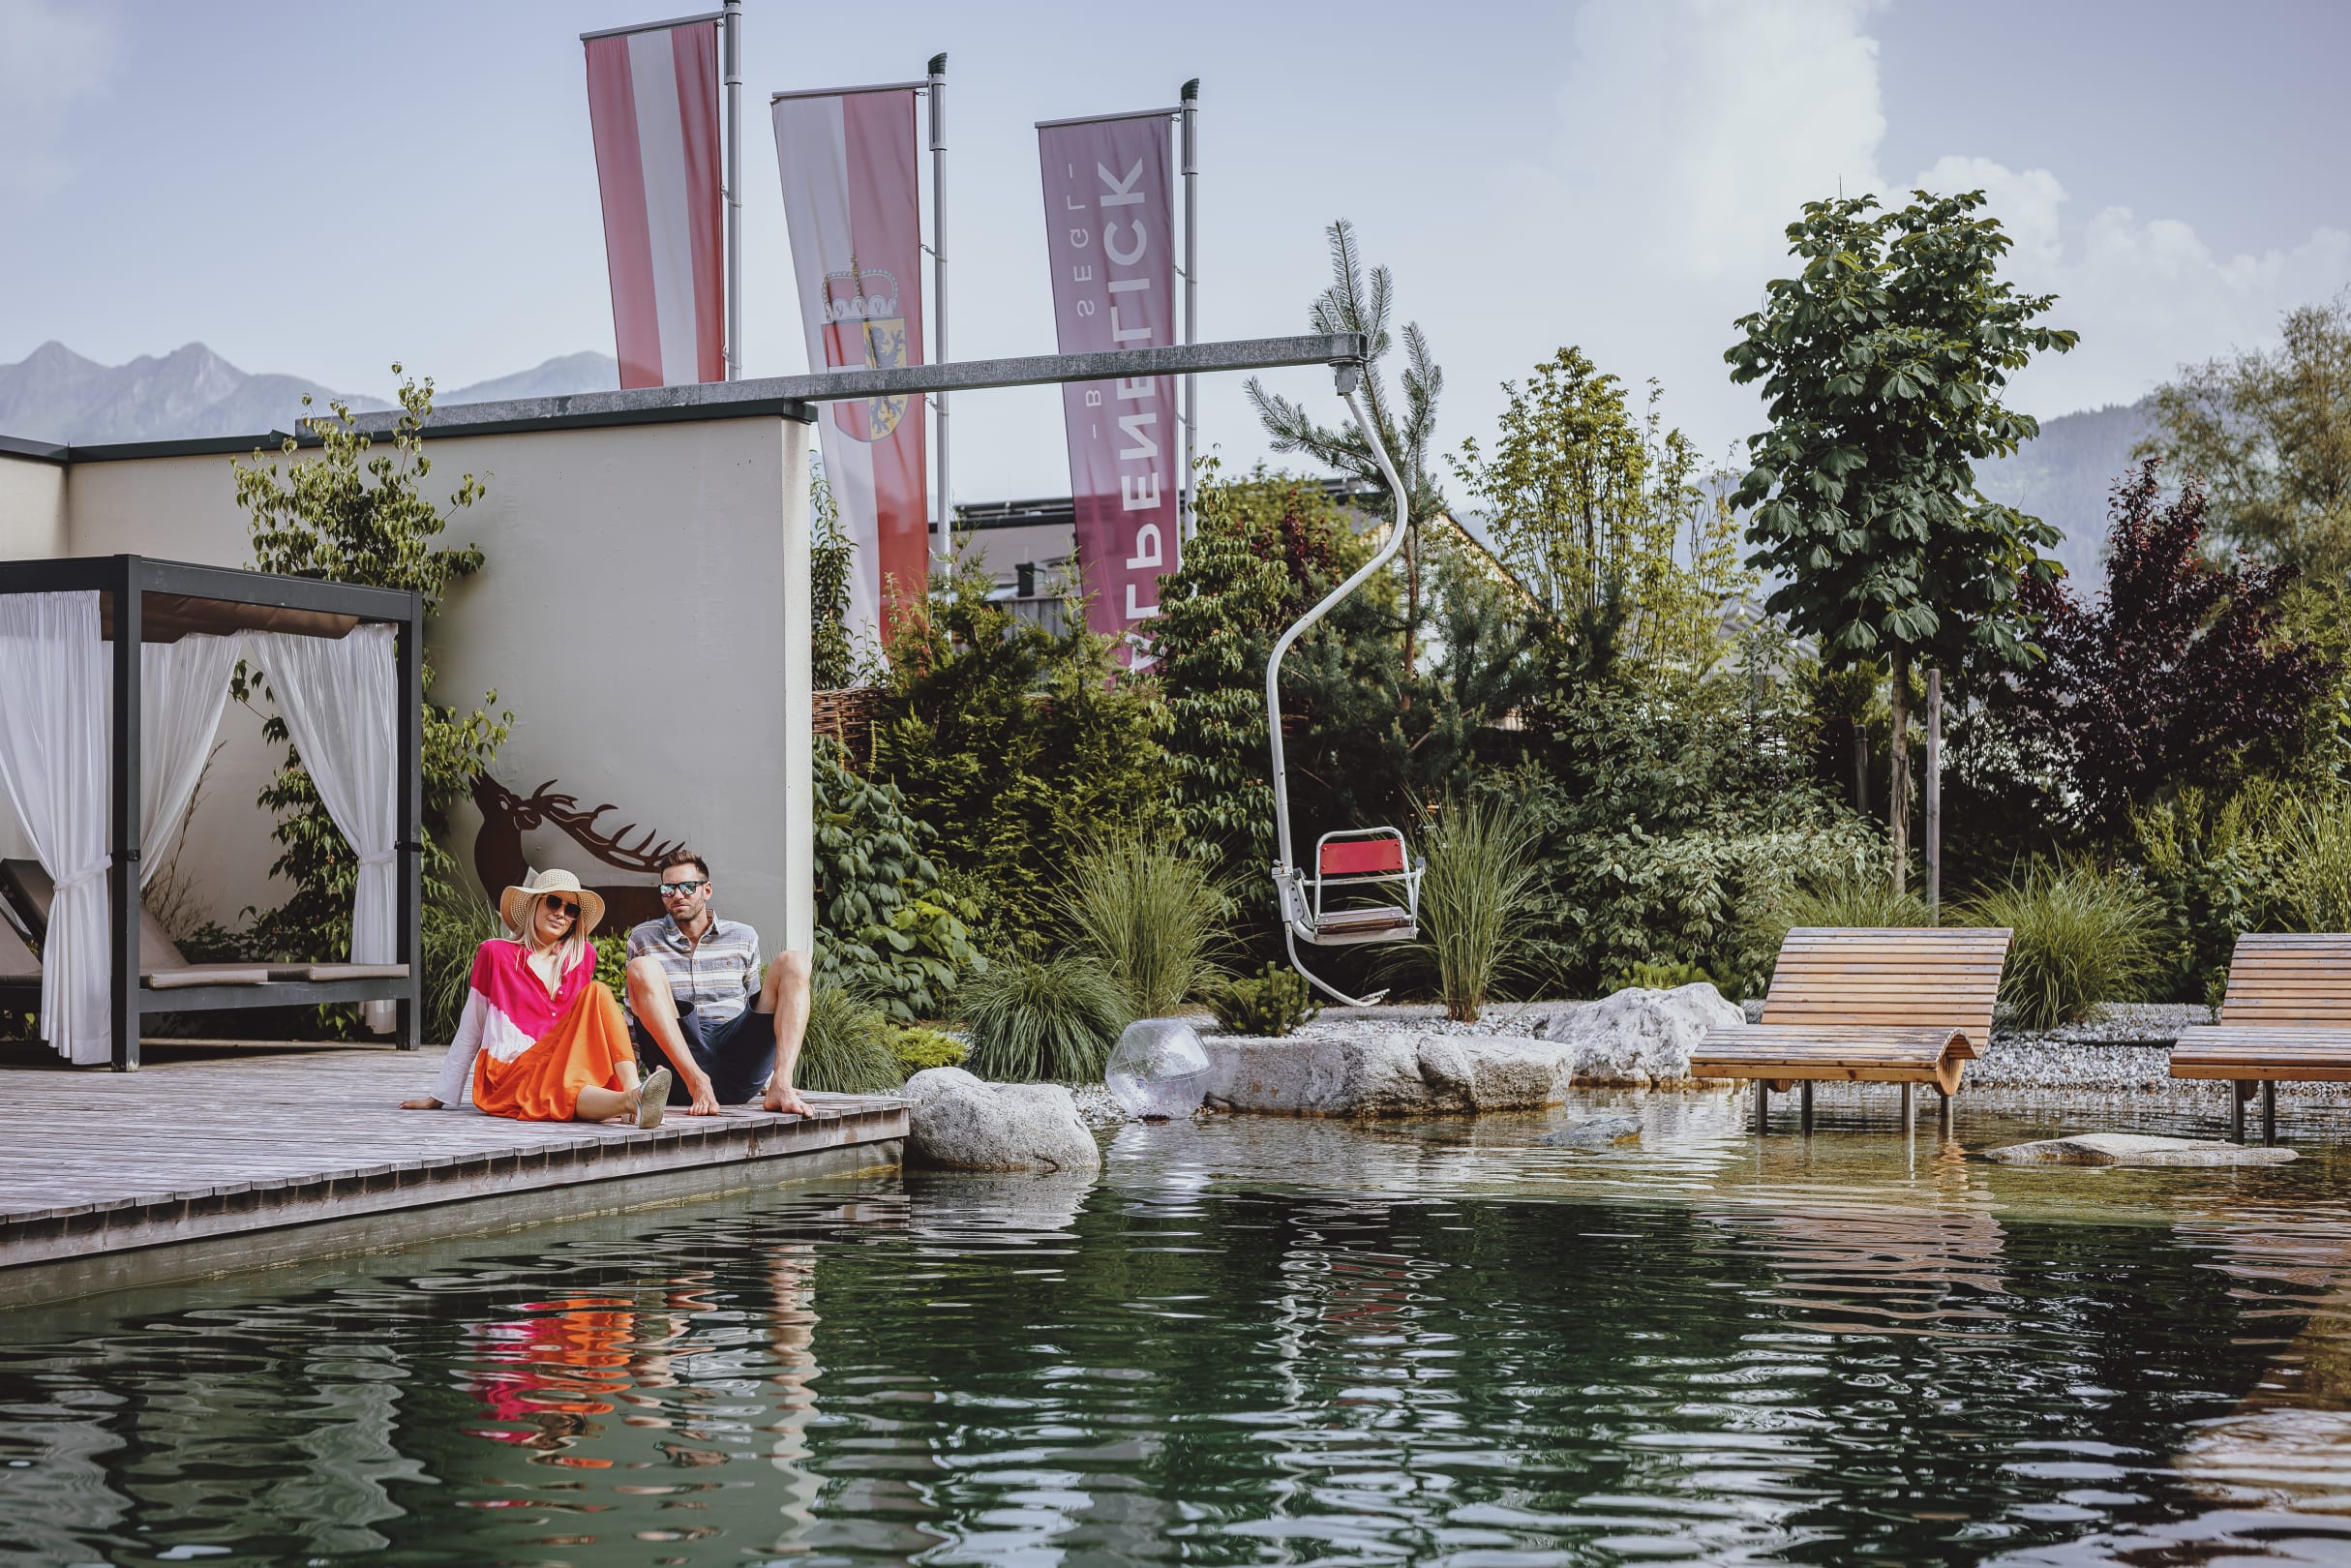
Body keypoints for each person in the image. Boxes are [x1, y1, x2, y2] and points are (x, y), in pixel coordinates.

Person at [400, 868, 670, 1126]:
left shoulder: (582, 956)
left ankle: (632, 1092)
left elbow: (585, 1025)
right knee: (564, 1085)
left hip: (563, 1061)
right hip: (512, 1069)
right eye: (553, 902)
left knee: (598, 991)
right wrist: (441, 1095)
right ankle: (633, 1101)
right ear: (533, 905)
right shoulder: (495, 953)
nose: (560, 913)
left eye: (571, 909)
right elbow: (472, 1026)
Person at [623, 849, 814, 1117]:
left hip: (737, 1058)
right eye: (668, 889)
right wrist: (629, 1083)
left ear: (707, 890)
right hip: (677, 1070)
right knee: (642, 968)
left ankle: (782, 1084)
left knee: (795, 961)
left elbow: (756, 1008)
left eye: (687, 887)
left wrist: (770, 1076)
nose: (677, 895)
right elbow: (633, 1016)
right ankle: (697, 1081)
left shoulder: (743, 936)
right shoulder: (643, 937)